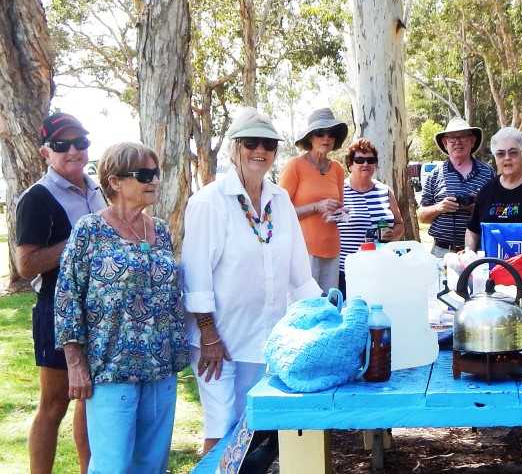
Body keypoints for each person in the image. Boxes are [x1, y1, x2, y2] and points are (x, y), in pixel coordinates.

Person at [181, 108, 321, 454]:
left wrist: (320, 321)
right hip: (220, 342)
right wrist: (209, 335)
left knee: (253, 431)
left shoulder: (280, 200)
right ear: (234, 148)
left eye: (269, 145)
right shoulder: (208, 202)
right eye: (251, 143)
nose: (260, 151)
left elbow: (300, 274)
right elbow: (196, 275)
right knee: (221, 429)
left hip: (265, 339)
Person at [54, 142, 188, 473]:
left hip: (160, 367)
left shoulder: (160, 229)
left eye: (156, 173)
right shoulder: (90, 229)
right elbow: (67, 296)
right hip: (112, 368)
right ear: (114, 181)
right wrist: (75, 364)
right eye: (144, 174)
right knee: (112, 466)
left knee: (152, 465)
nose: (154, 180)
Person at [15, 112, 100, 474]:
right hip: (57, 310)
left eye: (80, 142)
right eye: (62, 145)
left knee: (90, 400)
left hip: (99, 311)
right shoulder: (37, 198)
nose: (73, 151)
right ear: (45, 152)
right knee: (53, 405)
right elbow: (26, 264)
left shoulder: (98, 189)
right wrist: (78, 242)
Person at [280, 108, 348, 291]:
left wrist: (341, 214)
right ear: (310, 137)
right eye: (320, 133)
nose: (326, 138)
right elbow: (279, 213)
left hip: (332, 251)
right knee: (306, 305)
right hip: (303, 252)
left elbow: (339, 208)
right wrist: (316, 207)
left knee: (329, 305)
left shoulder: (337, 169)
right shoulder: (295, 166)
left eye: (331, 134)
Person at [336, 138, 405, 297]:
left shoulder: (385, 191)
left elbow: (399, 224)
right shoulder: (339, 191)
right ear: (350, 164)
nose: (365, 164)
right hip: (347, 270)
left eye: (370, 160)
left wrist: (393, 234)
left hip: (381, 269)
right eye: (359, 160)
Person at [465, 127, 522, 251]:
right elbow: (472, 230)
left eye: (513, 152)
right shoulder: (486, 190)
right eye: (500, 154)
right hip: (492, 261)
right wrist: (469, 253)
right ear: (495, 157)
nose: (507, 158)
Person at [417, 118, 494, 257]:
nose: (458, 142)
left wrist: (477, 209)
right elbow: (422, 216)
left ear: (472, 141)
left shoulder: (488, 173)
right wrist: (440, 207)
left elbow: (498, 212)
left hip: (478, 251)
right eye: (452, 138)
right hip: (441, 251)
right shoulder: (435, 174)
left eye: (463, 136)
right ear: (445, 143)